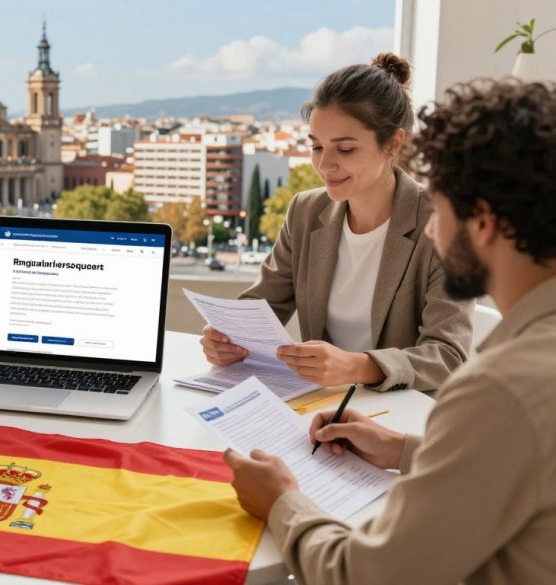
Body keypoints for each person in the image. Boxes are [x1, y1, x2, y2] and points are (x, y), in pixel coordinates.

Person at [224, 79, 556, 584]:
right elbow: (521, 462)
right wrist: (404, 449)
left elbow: (364, 575)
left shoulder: (499, 390)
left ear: (482, 222)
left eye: (439, 209)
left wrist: (281, 503)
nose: (428, 229)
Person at [201, 53, 471, 392]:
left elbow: (447, 355)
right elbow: (262, 306)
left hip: (401, 414)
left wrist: (359, 366)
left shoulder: (443, 224)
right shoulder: (305, 210)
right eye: (316, 146)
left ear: (393, 143)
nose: (325, 164)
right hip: (320, 405)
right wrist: (227, 338)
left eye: (344, 149)